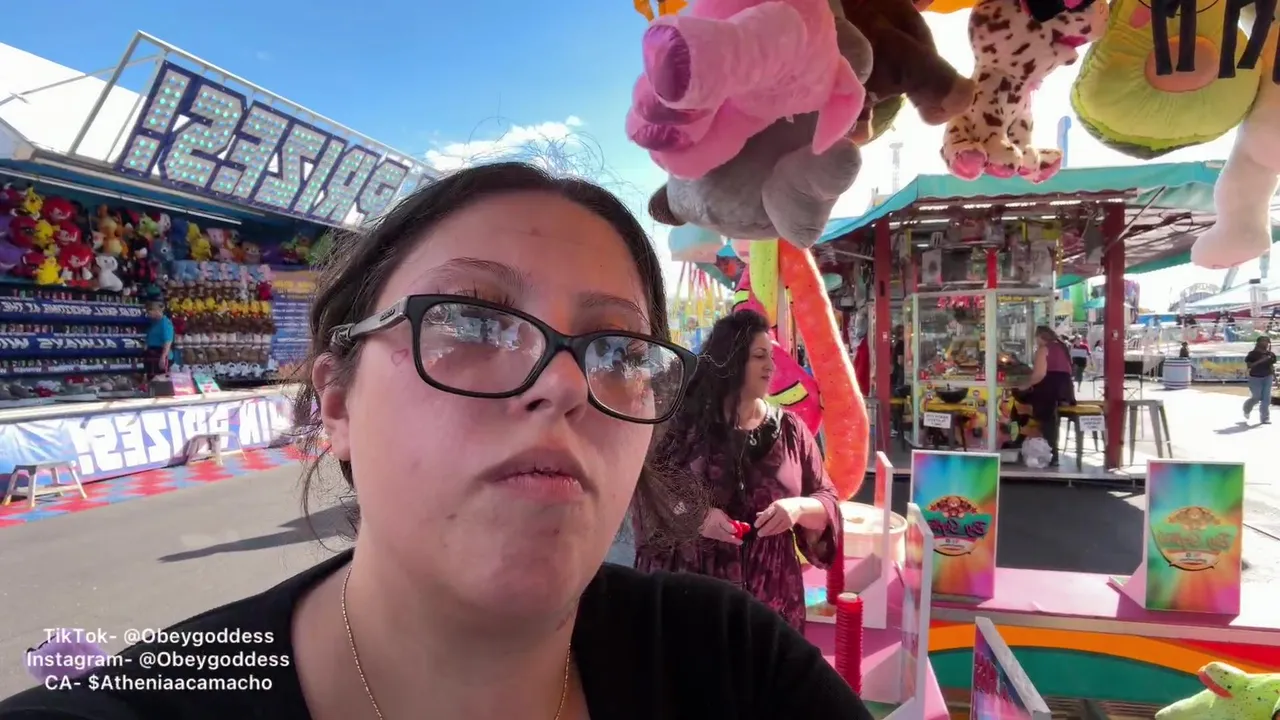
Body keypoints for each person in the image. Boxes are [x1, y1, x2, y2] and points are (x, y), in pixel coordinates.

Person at [0, 163, 872, 720]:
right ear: (337, 401)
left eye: (617, 349)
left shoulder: (732, 667)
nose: (565, 384)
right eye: (474, 322)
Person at [634, 310, 841, 633]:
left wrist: (797, 509)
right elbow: (647, 490)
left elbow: (826, 499)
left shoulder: (791, 430)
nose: (771, 366)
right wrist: (698, 518)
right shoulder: (685, 425)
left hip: (773, 600)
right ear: (730, 360)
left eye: (771, 356)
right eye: (759, 356)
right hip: (695, 599)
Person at [1016, 326, 1077, 467]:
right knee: (1048, 417)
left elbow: (1039, 375)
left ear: (1039, 337)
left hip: (1049, 388)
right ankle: (1047, 448)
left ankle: (1027, 441)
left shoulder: (1044, 349)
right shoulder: (1062, 347)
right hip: (1065, 391)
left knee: (1021, 400)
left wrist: (1024, 385)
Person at [1244, 336, 1275, 425]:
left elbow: (1271, 366)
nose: (1265, 343)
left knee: (1266, 398)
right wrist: (1261, 360)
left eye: (1267, 341)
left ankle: (1265, 418)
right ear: (1258, 343)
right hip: (1255, 378)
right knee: (1256, 397)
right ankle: (1246, 409)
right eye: (1263, 341)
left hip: (1268, 377)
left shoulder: (1270, 354)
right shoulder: (1252, 354)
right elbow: (1249, 366)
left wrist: (1275, 378)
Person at [143, 301, 174, 380]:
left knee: (160, 380)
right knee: (151, 379)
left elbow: (168, 341)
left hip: (161, 354)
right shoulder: (154, 323)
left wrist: (163, 357)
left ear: (156, 310)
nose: (148, 315)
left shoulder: (165, 323)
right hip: (151, 354)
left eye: (149, 312)